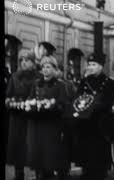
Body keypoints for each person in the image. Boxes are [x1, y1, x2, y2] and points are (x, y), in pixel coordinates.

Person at [71, 53, 114, 180]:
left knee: (99, 152)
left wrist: (95, 107)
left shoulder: (110, 82)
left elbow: (110, 101)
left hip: (101, 123)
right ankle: (86, 171)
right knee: (85, 151)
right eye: (89, 64)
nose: (90, 67)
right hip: (85, 123)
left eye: (94, 64)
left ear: (101, 66)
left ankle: (101, 172)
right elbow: (78, 98)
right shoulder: (84, 82)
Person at [26, 56, 69, 180]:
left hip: (51, 124)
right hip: (37, 123)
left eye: (48, 67)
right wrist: (31, 106)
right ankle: (39, 174)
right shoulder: (36, 83)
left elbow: (63, 104)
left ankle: (49, 174)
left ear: (54, 69)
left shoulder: (60, 85)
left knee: (49, 154)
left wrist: (52, 106)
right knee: (37, 151)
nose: (45, 69)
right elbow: (30, 99)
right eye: (43, 67)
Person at [6, 49, 41, 180]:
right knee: (18, 146)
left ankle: (39, 172)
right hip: (17, 118)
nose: (24, 62)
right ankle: (18, 172)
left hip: (33, 117)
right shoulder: (15, 77)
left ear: (33, 62)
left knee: (34, 146)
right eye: (21, 60)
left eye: (27, 60)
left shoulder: (39, 77)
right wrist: (12, 103)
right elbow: (8, 96)